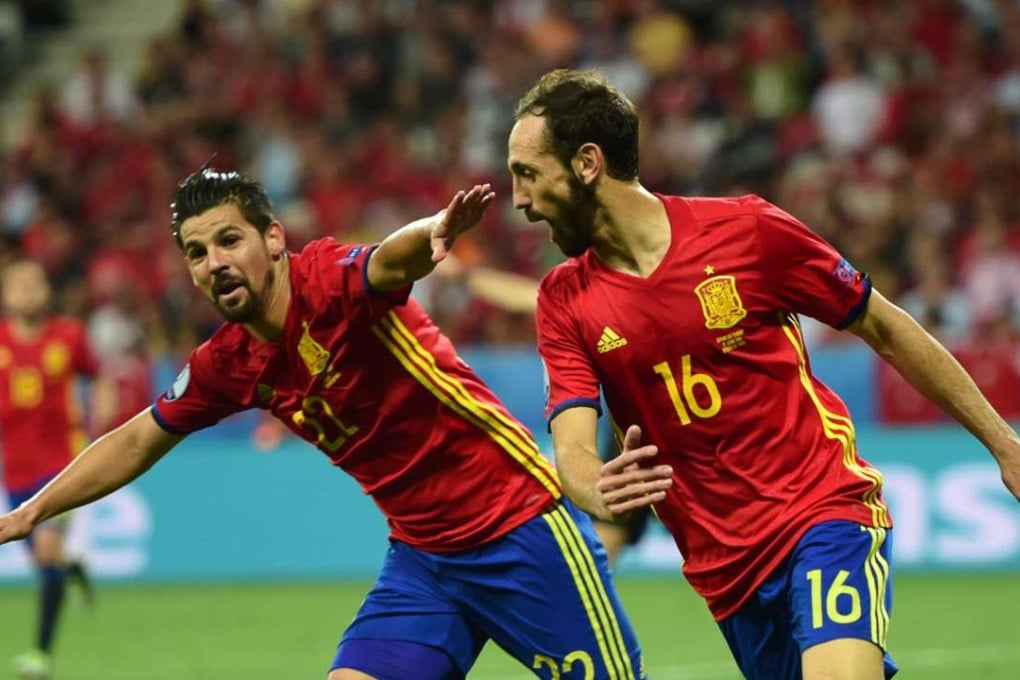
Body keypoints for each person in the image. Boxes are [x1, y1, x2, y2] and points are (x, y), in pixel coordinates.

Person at [0, 166, 647, 680]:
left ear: (273, 238)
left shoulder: (330, 282)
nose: (215, 262)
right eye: (197, 252)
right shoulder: (228, 362)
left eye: (229, 240)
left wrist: (434, 233)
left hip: (520, 528)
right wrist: (35, 511)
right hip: (424, 562)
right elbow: (139, 437)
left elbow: (391, 261)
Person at [507, 68, 1020, 680]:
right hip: (727, 571)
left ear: (588, 162)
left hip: (821, 510)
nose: (519, 200)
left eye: (528, 174)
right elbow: (571, 447)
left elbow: (885, 326)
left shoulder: (746, 231)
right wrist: (597, 488)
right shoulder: (564, 301)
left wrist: (1004, 443)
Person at [0, 259, 97, 680]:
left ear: (47, 290)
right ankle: (73, 569)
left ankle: (40, 656)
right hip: (17, 470)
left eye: (34, 282)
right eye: (18, 285)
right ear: (5, 295)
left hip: (63, 463)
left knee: (45, 549)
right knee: (46, 562)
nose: (27, 292)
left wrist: (101, 417)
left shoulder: (69, 335)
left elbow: (98, 376)